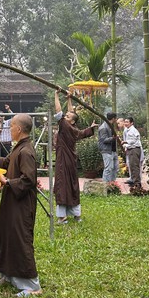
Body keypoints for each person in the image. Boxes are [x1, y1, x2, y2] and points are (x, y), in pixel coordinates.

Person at [0, 114, 41, 297]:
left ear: (19, 129)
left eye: (11, 126)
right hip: (12, 201)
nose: (9, 129)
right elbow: (5, 163)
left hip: (21, 204)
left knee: (20, 239)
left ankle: (33, 286)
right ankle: (8, 275)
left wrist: (7, 183)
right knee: (7, 236)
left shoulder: (26, 151)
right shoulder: (18, 149)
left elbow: (29, 180)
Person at [53, 91, 97, 223]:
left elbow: (59, 111)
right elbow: (71, 113)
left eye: (67, 117)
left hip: (63, 161)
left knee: (61, 185)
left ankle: (62, 217)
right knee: (72, 185)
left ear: (70, 121)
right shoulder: (74, 128)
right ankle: (76, 215)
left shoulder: (65, 125)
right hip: (71, 161)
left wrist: (56, 95)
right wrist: (69, 99)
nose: (65, 116)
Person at [121, 116, 143, 191]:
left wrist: (125, 143)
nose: (125, 123)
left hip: (134, 149)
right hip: (131, 149)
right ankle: (133, 181)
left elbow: (132, 141)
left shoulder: (132, 130)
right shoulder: (127, 130)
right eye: (125, 122)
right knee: (131, 166)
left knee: (135, 166)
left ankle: (137, 183)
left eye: (127, 122)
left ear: (131, 123)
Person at [98, 112, 118, 183]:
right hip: (106, 150)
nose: (116, 119)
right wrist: (113, 138)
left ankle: (113, 184)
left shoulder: (110, 126)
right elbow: (104, 140)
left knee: (115, 168)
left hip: (113, 150)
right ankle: (105, 185)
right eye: (116, 118)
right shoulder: (103, 127)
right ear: (113, 118)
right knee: (108, 168)